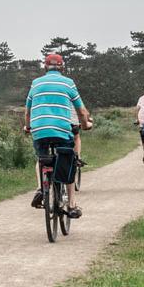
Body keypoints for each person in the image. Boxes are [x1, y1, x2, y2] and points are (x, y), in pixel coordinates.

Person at [25, 53, 92, 218]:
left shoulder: (35, 83)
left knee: (41, 158)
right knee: (69, 162)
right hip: (62, 130)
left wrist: (28, 126)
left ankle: (41, 188)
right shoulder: (68, 83)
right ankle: (71, 205)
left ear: (45, 67)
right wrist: (85, 125)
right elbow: (81, 111)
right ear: (62, 67)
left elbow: (27, 110)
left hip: (39, 130)